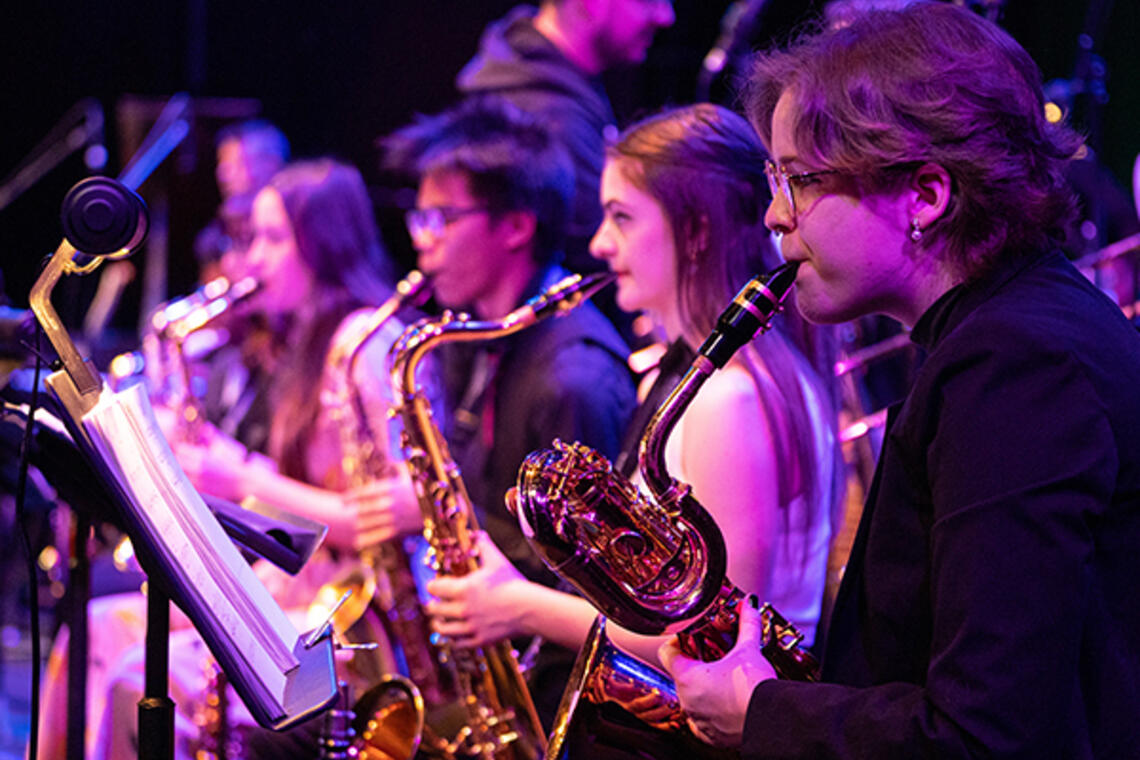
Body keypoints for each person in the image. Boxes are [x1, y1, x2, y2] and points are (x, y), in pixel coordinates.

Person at [658, 4, 1140, 757]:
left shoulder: (1015, 365)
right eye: (772, 180)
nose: (777, 219)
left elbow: (985, 737)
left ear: (926, 195)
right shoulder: (1009, 330)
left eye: (801, 180)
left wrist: (763, 712)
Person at [425, 103, 841, 698]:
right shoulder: (688, 378)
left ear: (696, 231)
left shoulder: (730, 401)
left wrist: (520, 607)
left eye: (621, 218)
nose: (599, 243)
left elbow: (716, 639)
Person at [88, 158, 424, 759]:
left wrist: (239, 474)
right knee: (100, 627)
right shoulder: (303, 338)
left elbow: (376, 520)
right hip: (306, 588)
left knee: (134, 677)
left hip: (361, 620)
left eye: (273, 239)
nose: (256, 259)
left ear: (322, 243)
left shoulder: (364, 344)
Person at [385, 95, 637, 726]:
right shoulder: (476, 339)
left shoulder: (573, 377)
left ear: (515, 226)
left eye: (441, 218)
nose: (424, 246)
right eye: (419, 219)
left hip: (550, 704)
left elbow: (599, 588)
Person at [457, 0, 675, 339]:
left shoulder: (551, 80)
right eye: (648, 1)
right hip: (559, 357)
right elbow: (597, 263)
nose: (665, 17)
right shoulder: (547, 116)